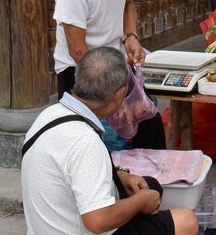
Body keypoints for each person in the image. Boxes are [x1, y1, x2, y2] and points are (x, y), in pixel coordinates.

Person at [22, 47, 198, 235]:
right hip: (86, 226)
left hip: (55, 223)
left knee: (151, 186)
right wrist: (140, 202)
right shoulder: (85, 141)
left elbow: (70, 169)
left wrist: (121, 176)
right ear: (118, 94)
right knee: (186, 221)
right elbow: (97, 221)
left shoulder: (50, 114)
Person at [53, 0, 165, 149]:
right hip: (83, 72)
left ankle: (154, 182)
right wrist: (113, 95)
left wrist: (130, 36)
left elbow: (128, 3)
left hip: (116, 64)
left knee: (149, 125)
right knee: (92, 142)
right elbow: (77, 50)